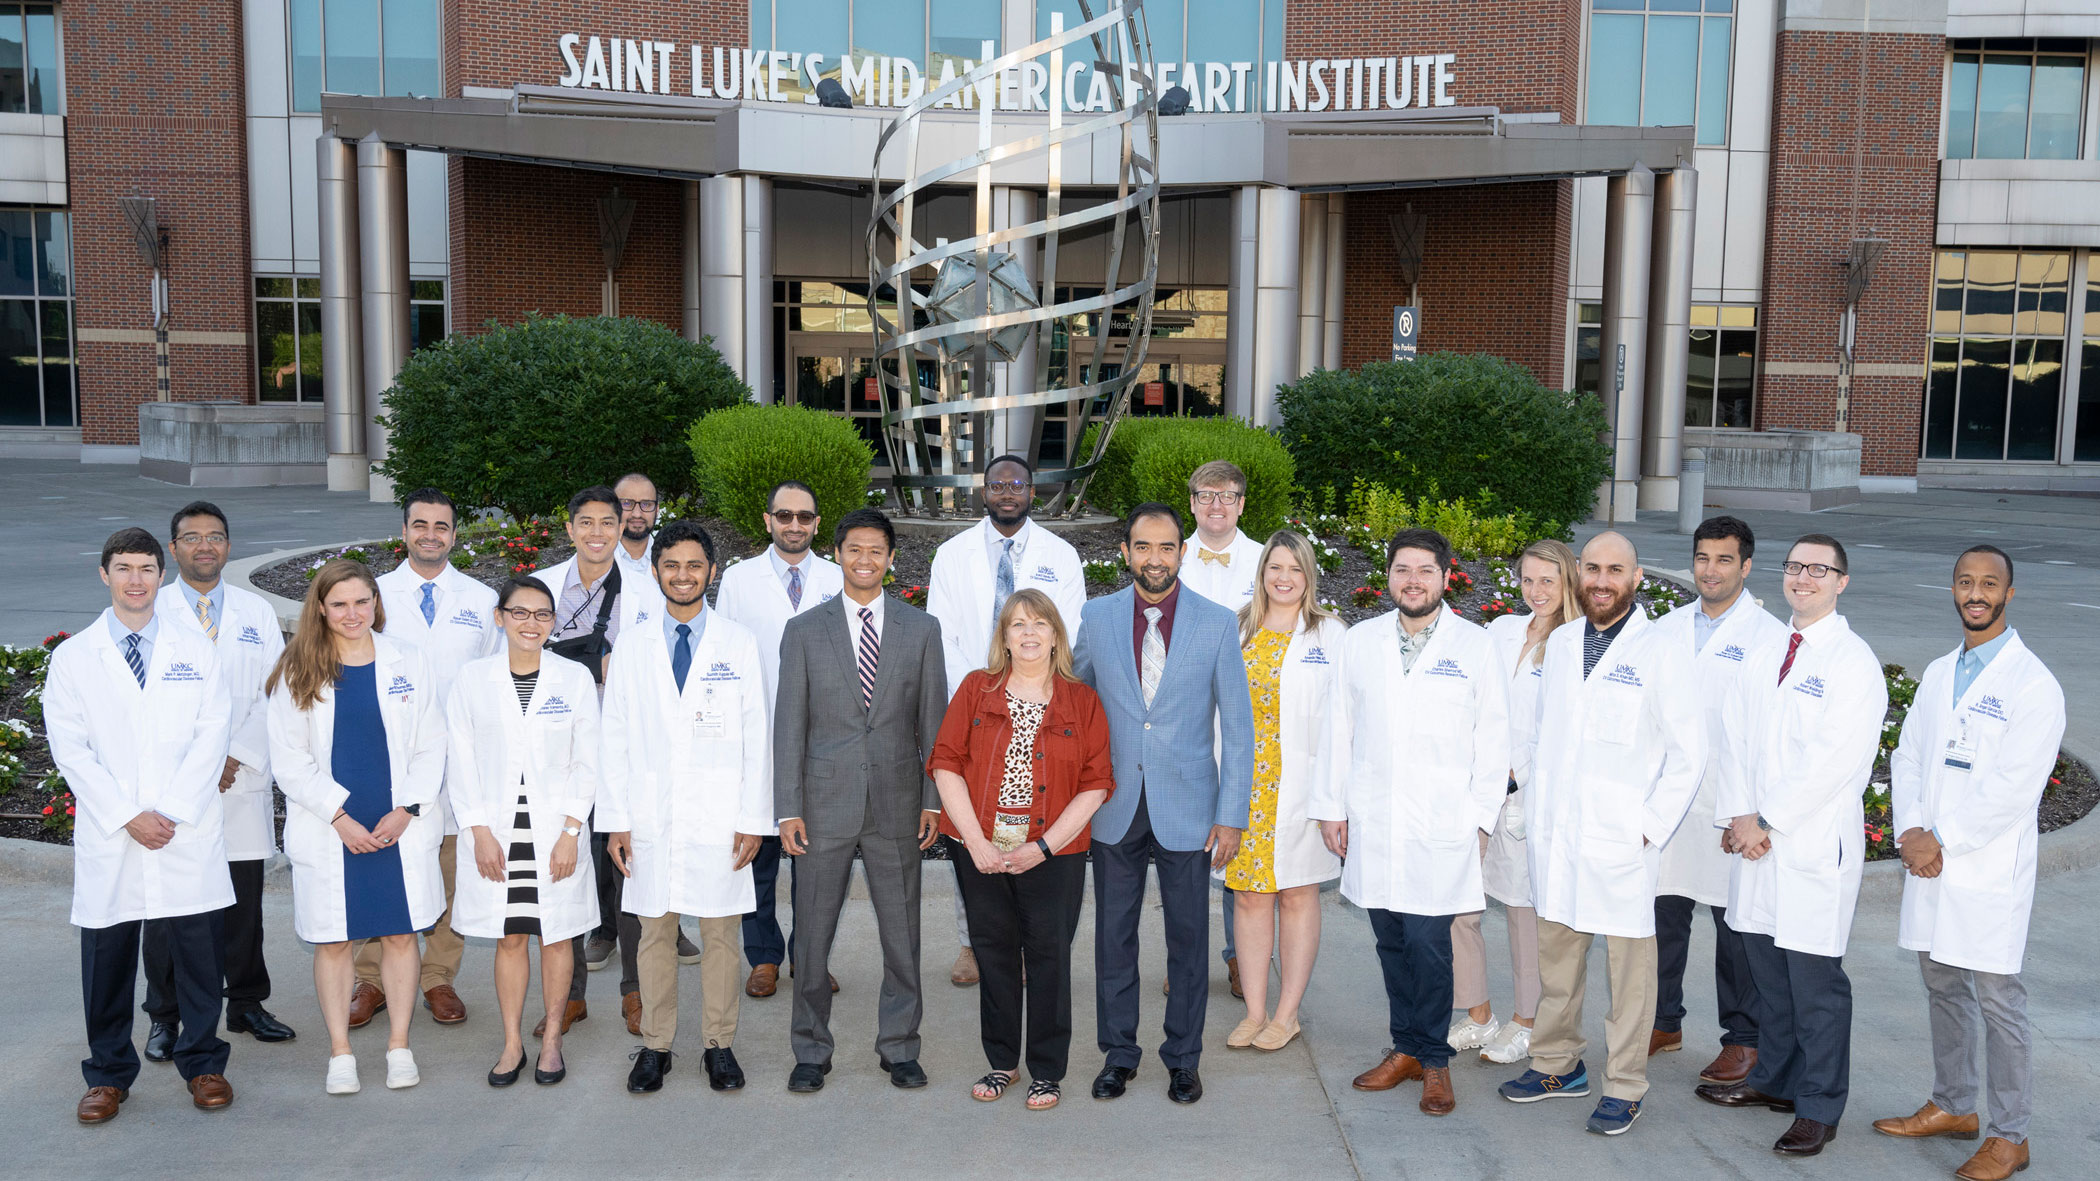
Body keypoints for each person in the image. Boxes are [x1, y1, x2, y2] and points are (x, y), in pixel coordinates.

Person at [1498, 531, 1705, 1137]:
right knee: (1558, 961)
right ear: (1578, 574)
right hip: (1558, 834)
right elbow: (1540, 735)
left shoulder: (1664, 649)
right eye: (1592, 568)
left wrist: (1646, 829)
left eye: (1615, 569)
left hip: (1622, 842)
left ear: (1636, 577)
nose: (1602, 580)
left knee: (1629, 979)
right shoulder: (1562, 643)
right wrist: (1534, 805)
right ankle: (1558, 1065)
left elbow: (1688, 753)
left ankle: (1624, 1085)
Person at [1876, 545, 2065, 1181]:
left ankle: (2011, 1136)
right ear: (1953, 590)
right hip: (1931, 859)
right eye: (1965, 582)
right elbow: (1907, 755)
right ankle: (1955, 1105)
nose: (1975, 593)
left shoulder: (2033, 685)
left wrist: (1941, 840)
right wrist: (1908, 831)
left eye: (1989, 584)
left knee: (1997, 999)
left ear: (2009, 595)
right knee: (1942, 984)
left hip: (1983, 867)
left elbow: (2014, 787)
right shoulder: (1937, 672)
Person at [1697, 534, 1887, 1157]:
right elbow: (1735, 736)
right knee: (1768, 975)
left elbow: (1833, 762)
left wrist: (1766, 821)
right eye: (1796, 566)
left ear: (1842, 581)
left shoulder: (1851, 662)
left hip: (1806, 847)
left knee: (1814, 984)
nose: (1803, 577)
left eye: (1819, 569)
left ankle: (1819, 1105)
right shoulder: (1769, 649)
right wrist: (1737, 816)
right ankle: (1775, 1080)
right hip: (1756, 842)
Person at [1313, 528, 1508, 1116]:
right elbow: (1337, 727)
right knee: (1390, 941)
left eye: (1425, 570)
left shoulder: (1474, 646)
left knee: (1430, 946)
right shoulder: (1362, 641)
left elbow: (1493, 740)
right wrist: (1332, 806)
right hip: (1373, 818)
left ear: (1446, 578)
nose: (1413, 581)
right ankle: (1404, 1049)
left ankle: (1435, 1061)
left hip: (1442, 825)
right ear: (1389, 576)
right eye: (1402, 570)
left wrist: (1479, 821)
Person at [46, 528, 237, 1123]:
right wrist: (128, 815)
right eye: (124, 568)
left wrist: (171, 811)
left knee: (200, 956)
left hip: (184, 828)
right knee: (107, 957)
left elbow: (214, 733)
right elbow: (70, 748)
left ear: (162, 575)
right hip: (114, 832)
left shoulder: (196, 649)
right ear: (104, 575)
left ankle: (204, 1062)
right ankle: (107, 1074)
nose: (136, 579)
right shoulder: (75, 657)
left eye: (147, 568)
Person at [1072, 502, 1254, 1107]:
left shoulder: (1216, 621)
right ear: (1125, 552)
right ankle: (1118, 1056)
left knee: (1188, 942)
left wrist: (1231, 814)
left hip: (1190, 808)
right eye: (1143, 547)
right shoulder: (1096, 617)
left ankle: (1183, 1059)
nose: (1155, 558)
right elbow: (1076, 705)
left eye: (1167, 547)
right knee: (1113, 939)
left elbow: (1240, 726)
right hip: (1115, 805)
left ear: (1183, 552)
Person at [774, 508, 949, 1094]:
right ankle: (810, 1049)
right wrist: (788, 807)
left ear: (891, 559)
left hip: (899, 805)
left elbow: (935, 727)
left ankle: (899, 1047)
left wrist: (933, 800)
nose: (865, 560)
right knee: (813, 937)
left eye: (877, 550)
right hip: (821, 807)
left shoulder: (921, 630)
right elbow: (789, 728)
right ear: (838, 554)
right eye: (854, 550)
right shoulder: (804, 630)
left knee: (902, 936)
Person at [599, 520, 773, 1095]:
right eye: (671, 565)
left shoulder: (737, 643)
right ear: (655, 573)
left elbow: (757, 736)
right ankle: (655, 1045)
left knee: (722, 934)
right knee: (654, 933)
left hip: (721, 816)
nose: (682, 575)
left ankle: (719, 1044)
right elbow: (615, 735)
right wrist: (616, 819)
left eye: (694, 565)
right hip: (650, 815)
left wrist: (753, 819)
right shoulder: (633, 643)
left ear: (712, 572)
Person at [267, 559, 447, 1095]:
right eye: (339, 603)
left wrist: (407, 809)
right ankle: (340, 1052)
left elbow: (431, 742)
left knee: (398, 932)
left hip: (396, 824)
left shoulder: (409, 661)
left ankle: (398, 1045)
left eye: (362, 602)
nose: (352, 613)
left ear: (376, 603)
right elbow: (289, 760)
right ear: (320, 608)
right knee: (334, 941)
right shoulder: (297, 668)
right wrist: (340, 818)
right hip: (332, 827)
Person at [928, 589, 1114, 1110]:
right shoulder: (975, 689)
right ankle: (1002, 1061)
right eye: (1017, 625)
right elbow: (946, 763)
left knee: (1050, 957)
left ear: (1056, 635)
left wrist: (1044, 848)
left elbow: (1097, 783)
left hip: (1054, 851)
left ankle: (1048, 1069)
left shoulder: (1082, 700)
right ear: (1003, 638)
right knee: (994, 952)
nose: (1028, 633)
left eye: (1039, 623)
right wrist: (975, 841)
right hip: (979, 846)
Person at [536, 485, 693, 1038]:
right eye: (588, 523)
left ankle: (634, 994)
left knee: (630, 870)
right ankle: (569, 995)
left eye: (610, 521)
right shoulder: (545, 588)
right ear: (571, 527)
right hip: (559, 750)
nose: (599, 532)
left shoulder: (649, 589)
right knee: (564, 867)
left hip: (628, 750)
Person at [141, 503, 296, 1055]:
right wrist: (202, 764)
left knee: (242, 902)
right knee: (168, 909)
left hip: (239, 783)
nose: (205, 547)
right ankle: (166, 1013)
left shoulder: (254, 612)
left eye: (215, 537)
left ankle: (247, 1003)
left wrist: (235, 756)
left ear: (228, 546)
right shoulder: (150, 610)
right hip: (175, 787)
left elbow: (275, 691)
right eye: (192, 538)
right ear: (174, 547)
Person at [927, 454, 1085, 987]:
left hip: (1040, 704)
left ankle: (1029, 943)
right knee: (971, 828)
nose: (1008, 492)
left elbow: (1071, 630)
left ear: (1033, 493)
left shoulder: (1059, 555)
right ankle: (974, 943)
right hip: (974, 711)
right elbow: (941, 636)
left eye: (1018, 484)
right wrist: (968, 704)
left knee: (1030, 819)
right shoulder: (952, 556)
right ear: (983, 492)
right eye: (998, 484)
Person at [444, 578, 602, 1088]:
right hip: (496, 831)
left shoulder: (573, 678)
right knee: (511, 937)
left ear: (554, 623)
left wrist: (571, 830)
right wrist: (478, 831)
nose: (531, 623)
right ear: (500, 617)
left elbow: (588, 759)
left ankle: (552, 1038)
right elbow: (460, 760)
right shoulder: (472, 680)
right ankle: (512, 1042)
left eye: (542, 615)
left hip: (556, 830)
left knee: (556, 937)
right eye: (520, 613)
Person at [1648, 517, 1788, 1083]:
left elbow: (1772, 735)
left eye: (1724, 560)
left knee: (1736, 934)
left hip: (1732, 806)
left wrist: (1753, 812)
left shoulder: (1770, 637)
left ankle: (1744, 1039)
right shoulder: (1666, 628)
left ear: (1746, 566)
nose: (1711, 570)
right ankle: (1662, 1020)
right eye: (1703, 558)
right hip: (1670, 802)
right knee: (1661, 918)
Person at [358, 488, 501, 1031]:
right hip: (388, 763)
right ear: (405, 532)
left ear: (455, 535)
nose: (431, 535)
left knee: (449, 877)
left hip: (456, 767)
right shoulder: (375, 597)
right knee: (384, 870)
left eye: (442, 526)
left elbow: (490, 683)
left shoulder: (480, 599)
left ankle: (438, 977)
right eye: (421, 525)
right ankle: (370, 979)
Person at [1450, 538, 1581, 1067]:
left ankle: (1528, 1022)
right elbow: (1472, 698)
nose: (1537, 590)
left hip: (1530, 799)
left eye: (1548, 580)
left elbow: (1562, 728)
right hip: (1477, 789)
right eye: (1528, 579)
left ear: (1569, 580)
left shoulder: (1575, 643)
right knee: (1460, 906)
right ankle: (1480, 1015)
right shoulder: (1502, 630)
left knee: (1523, 914)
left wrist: (1512, 775)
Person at [714, 479, 843, 1000]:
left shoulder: (839, 579)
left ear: (817, 523)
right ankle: (763, 957)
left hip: (825, 743)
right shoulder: (740, 581)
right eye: (784, 516)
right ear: (767, 521)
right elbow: (722, 657)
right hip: (758, 741)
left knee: (818, 865)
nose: (794, 525)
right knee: (760, 858)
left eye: (804, 517)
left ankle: (810, 958)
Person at [1218, 530, 1343, 1054]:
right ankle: (1254, 1012)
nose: (1284, 578)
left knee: (1296, 894)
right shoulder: (1237, 627)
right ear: (1262, 572)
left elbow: (1342, 723)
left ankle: (1286, 1014)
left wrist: (1335, 798)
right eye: (1275, 567)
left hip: (1302, 789)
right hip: (1244, 786)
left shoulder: (1330, 634)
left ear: (1308, 575)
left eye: (1294, 568)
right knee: (1247, 897)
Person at [1179, 459, 1264, 999]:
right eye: (1206, 495)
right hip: (1183, 721)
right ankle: (1184, 958)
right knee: (1182, 850)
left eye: (1227, 496)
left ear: (1241, 503)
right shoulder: (1170, 556)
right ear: (1191, 503)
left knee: (1238, 840)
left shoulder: (1265, 563)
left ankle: (1240, 957)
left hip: (1243, 717)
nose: (1216, 505)